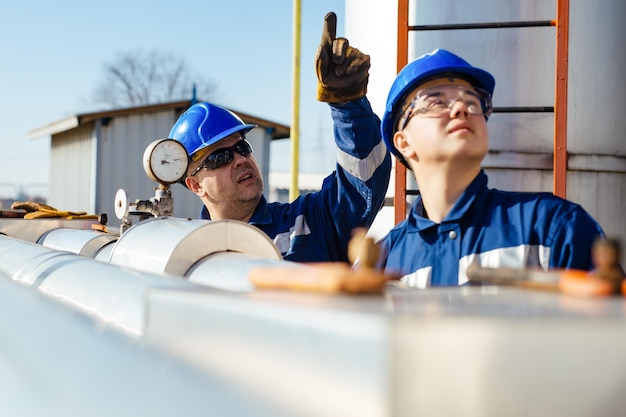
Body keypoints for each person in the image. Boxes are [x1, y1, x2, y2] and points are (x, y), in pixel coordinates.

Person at [168, 12, 391, 263]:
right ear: (195, 185)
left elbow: (363, 178)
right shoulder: (189, 255)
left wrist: (347, 104)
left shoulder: (309, 223)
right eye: (221, 156)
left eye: (242, 147)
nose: (240, 159)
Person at [377, 48, 609, 287]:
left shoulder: (554, 227)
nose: (461, 109)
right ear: (403, 142)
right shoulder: (381, 263)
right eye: (436, 102)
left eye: (472, 101)